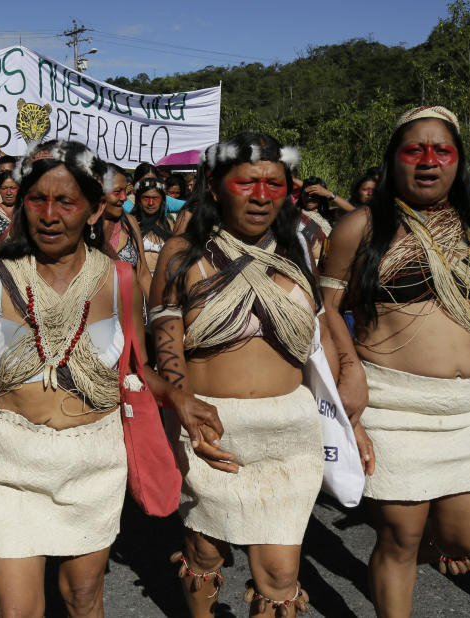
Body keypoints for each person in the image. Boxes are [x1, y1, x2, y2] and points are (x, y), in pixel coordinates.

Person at [0, 140, 221, 617]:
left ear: (94, 211)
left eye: (66, 202)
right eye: (37, 199)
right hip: (15, 465)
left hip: (94, 460)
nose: (49, 215)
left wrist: (179, 398)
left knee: (82, 599)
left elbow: (137, 371)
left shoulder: (118, 279)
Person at [150, 133, 348, 618]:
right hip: (215, 429)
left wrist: (351, 408)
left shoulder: (298, 249)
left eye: (274, 184)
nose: (261, 195)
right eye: (247, 183)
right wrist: (180, 402)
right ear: (215, 187)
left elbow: (320, 336)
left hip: (290, 430)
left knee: (281, 577)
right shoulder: (183, 252)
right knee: (205, 554)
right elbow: (165, 340)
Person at [321, 106, 470, 617]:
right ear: (394, 161)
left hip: (468, 409)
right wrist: (350, 370)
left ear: (457, 161)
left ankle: (427, 545)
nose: (428, 161)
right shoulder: (360, 226)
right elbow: (326, 308)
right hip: (396, 405)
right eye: (414, 150)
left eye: (441, 150)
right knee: (399, 538)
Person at [102, 162, 151, 294]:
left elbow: (143, 274)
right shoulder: (80, 226)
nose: (124, 198)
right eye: (117, 192)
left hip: (129, 311)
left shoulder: (129, 222)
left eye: (125, 191)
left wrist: (159, 311)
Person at [132, 177, 174, 275]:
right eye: (146, 198)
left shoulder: (170, 224)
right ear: (139, 199)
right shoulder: (131, 223)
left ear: (162, 200)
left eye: (155, 198)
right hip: (137, 281)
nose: (151, 203)